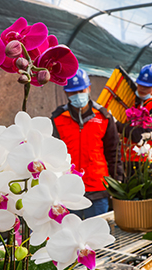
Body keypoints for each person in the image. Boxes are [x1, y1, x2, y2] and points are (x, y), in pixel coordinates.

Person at [51, 68, 124, 219]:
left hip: (98, 187)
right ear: (66, 93)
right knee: (69, 232)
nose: (78, 95)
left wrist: (117, 179)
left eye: (81, 90)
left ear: (89, 89)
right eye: (73, 92)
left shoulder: (104, 116)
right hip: (68, 190)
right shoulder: (58, 118)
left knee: (97, 233)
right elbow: (52, 153)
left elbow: (113, 151)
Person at [116, 64, 152, 180]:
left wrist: (116, 124)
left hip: (144, 162)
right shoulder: (133, 100)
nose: (142, 88)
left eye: (147, 86)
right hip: (125, 158)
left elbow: (138, 136)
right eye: (140, 84)